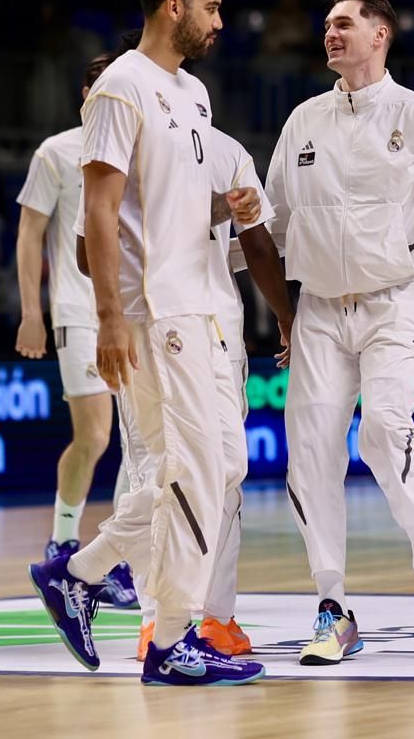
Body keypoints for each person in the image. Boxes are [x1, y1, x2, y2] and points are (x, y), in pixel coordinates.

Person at [27, 0, 266, 687]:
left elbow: (174, 203)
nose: (220, 21)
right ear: (172, 7)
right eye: (212, 7)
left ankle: (83, 572)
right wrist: (109, 318)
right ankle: (169, 639)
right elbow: (95, 212)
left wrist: (236, 207)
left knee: (219, 467)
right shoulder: (120, 87)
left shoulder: (192, 92)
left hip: (199, 305)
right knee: (193, 472)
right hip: (152, 314)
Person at [265, 0, 414, 666]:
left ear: (381, 33)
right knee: (312, 452)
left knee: (386, 428)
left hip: (397, 303)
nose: (331, 33)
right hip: (320, 310)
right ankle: (332, 606)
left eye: (345, 23)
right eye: (327, 24)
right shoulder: (302, 123)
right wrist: (282, 314)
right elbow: (270, 225)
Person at [133, 121, 296, 662]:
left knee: (226, 471)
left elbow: (256, 241)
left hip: (218, 325)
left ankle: (215, 618)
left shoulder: (225, 146)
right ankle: (156, 618)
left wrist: (284, 316)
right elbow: (93, 249)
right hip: (151, 326)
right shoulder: (121, 149)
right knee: (164, 471)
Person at [14, 53, 138, 612]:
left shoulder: (142, 148)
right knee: (94, 435)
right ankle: (64, 541)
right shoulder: (57, 151)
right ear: (84, 95)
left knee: (137, 445)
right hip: (77, 309)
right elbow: (29, 233)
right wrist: (31, 311)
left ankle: (114, 559)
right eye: (95, 87)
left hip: (134, 309)